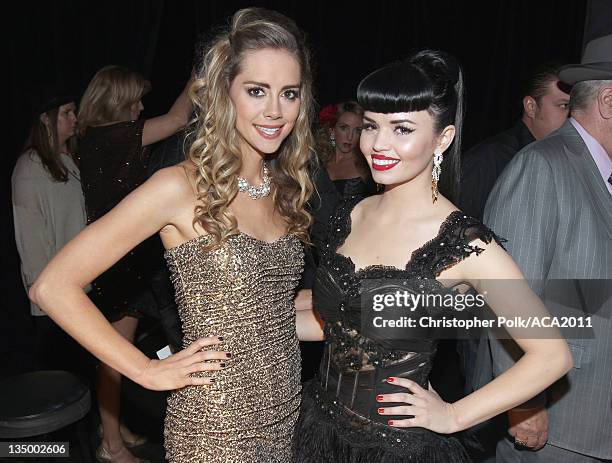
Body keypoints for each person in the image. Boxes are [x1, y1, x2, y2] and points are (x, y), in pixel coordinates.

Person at [30, 7, 323, 462]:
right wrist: (145, 369)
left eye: (289, 93)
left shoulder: (285, 189)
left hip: (285, 412)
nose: (274, 111)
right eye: (256, 91)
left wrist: (357, 316)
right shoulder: (179, 187)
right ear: (225, 94)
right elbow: (53, 285)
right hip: (216, 428)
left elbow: (270, 315)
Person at [293, 50, 573, 462]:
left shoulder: (466, 244)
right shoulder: (350, 215)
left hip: (397, 450)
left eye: (402, 128)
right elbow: (337, 322)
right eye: (372, 126)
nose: (378, 144)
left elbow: (552, 355)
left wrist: (453, 415)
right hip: (318, 429)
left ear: (442, 139)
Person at [484, 34, 612, 463]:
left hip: (595, 417)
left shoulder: (599, 172)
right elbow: (509, 297)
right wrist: (525, 403)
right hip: (559, 423)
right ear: (609, 102)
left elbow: (584, 288)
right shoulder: (543, 165)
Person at [75, 64, 194, 462]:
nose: (141, 106)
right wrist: (198, 75)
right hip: (120, 264)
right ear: (117, 101)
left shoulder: (96, 139)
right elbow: (178, 119)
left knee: (119, 350)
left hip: (125, 260)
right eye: (136, 99)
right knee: (114, 355)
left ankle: (114, 427)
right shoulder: (114, 135)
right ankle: (111, 445)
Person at [11, 88, 93, 378]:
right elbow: (30, 237)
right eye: (67, 112)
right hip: (56, 297)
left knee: (84, 374)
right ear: (46, 119)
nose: (75, 117)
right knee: (64, 376)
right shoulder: (30, 167)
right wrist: (46, 297)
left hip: (80, 286)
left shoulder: (67, 160)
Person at [459, 63, 570, 220]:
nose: (572, 116)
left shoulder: (565, 158)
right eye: (563, 106)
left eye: (575, 107)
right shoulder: (490, 158)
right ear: (531, 106)